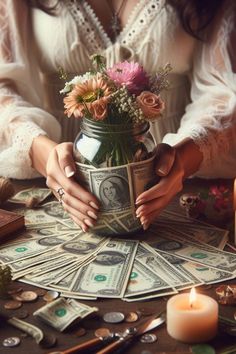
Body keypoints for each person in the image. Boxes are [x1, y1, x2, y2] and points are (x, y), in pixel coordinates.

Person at [0, 0, 235, 233]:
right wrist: (46, 156)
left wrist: (182, 160)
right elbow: (3, 87)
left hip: (177, 191)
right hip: (56, 193)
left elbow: (223, 91)